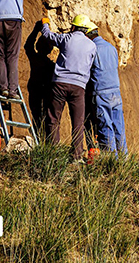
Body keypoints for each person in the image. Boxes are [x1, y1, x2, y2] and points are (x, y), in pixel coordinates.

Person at [40, 14, 97, 160]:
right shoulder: (92, 46)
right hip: (79, 87)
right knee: (78, 122)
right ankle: (77, 156)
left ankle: (53, 153)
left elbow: (48, 36)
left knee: (53, 118)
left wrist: (45, 24)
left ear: (73, 27)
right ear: (86, 29)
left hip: (60, 83)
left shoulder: (67, 38)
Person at [85, 24, 127, 154]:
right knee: (118, 127)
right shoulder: (112, 48)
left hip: (101, 94)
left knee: (105, 127)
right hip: (115, 92)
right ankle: (123, 159)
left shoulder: (92, 48)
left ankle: (111, 161)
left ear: (87, 36)